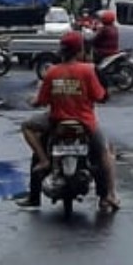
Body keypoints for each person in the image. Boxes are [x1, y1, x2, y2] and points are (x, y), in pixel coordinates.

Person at [20, 30, 119, 212]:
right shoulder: (88, 71)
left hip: (56, 122)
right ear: (80, 50)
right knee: (105, 152)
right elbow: (100, 95)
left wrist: (31, 100)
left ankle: (42, 165)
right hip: (85, 124)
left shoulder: (52, 72)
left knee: (27, 126)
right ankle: (108, 196)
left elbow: (41, 101)